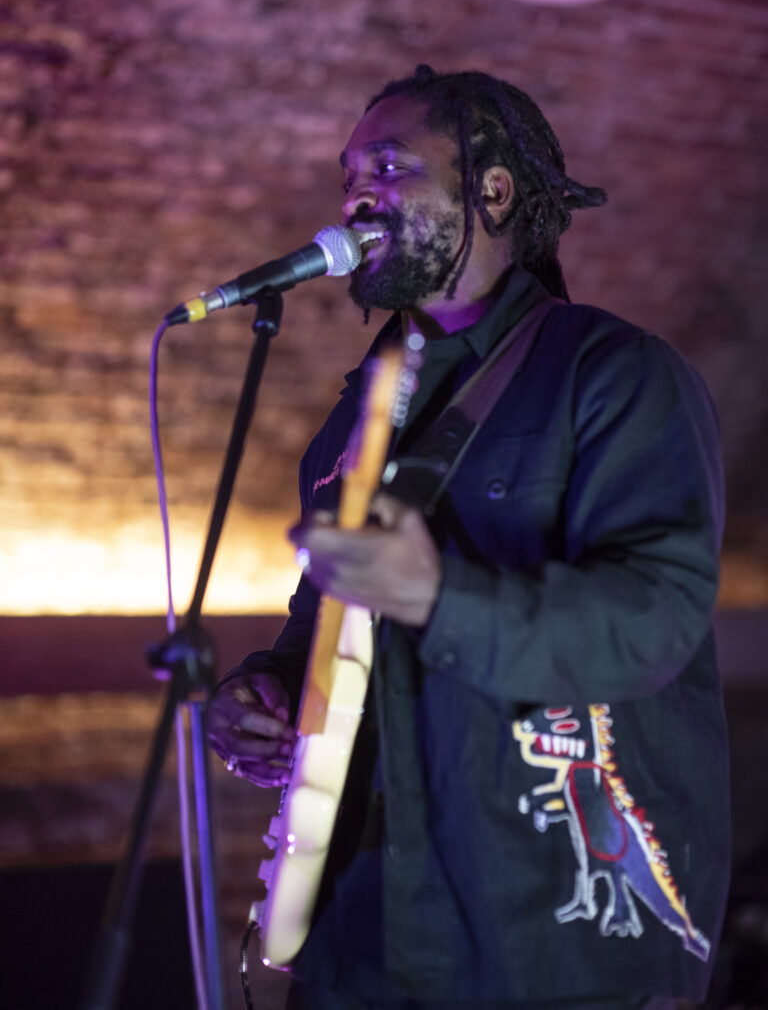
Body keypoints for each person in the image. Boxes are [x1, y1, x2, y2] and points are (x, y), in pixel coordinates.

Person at [207, 65, 730, 1010]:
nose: (356, 195)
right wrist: (270, 689)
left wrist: (439, 598)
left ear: (491, 190)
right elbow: (324, 623)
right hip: (360, 932)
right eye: (348, 177)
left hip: (545, 932)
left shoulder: (617, 374)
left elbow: (653, 621)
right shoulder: (353, 419)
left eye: (389, 167)